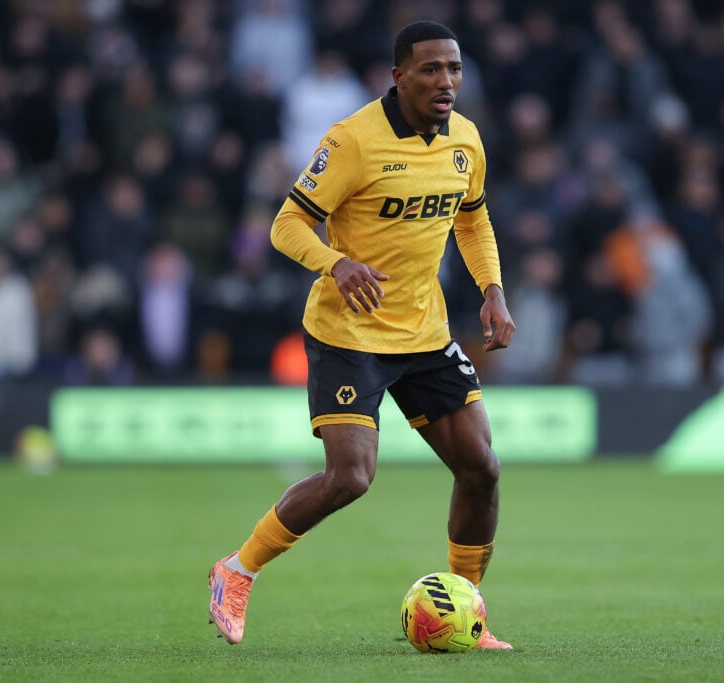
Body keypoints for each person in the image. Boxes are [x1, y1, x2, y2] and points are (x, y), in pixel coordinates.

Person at [208, 20, 516, 649]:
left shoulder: (466, 141)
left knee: (481, 468)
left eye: (454, 69)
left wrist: (492, 289)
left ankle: (465, 608)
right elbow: (287, 224)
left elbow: (473, 219)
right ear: (398, 75)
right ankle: (235, 572)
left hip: (425, 333)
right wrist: (336, 262)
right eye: (430, 69)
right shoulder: (354, 140)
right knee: (351, 477)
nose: (446, 82)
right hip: (349, 333)